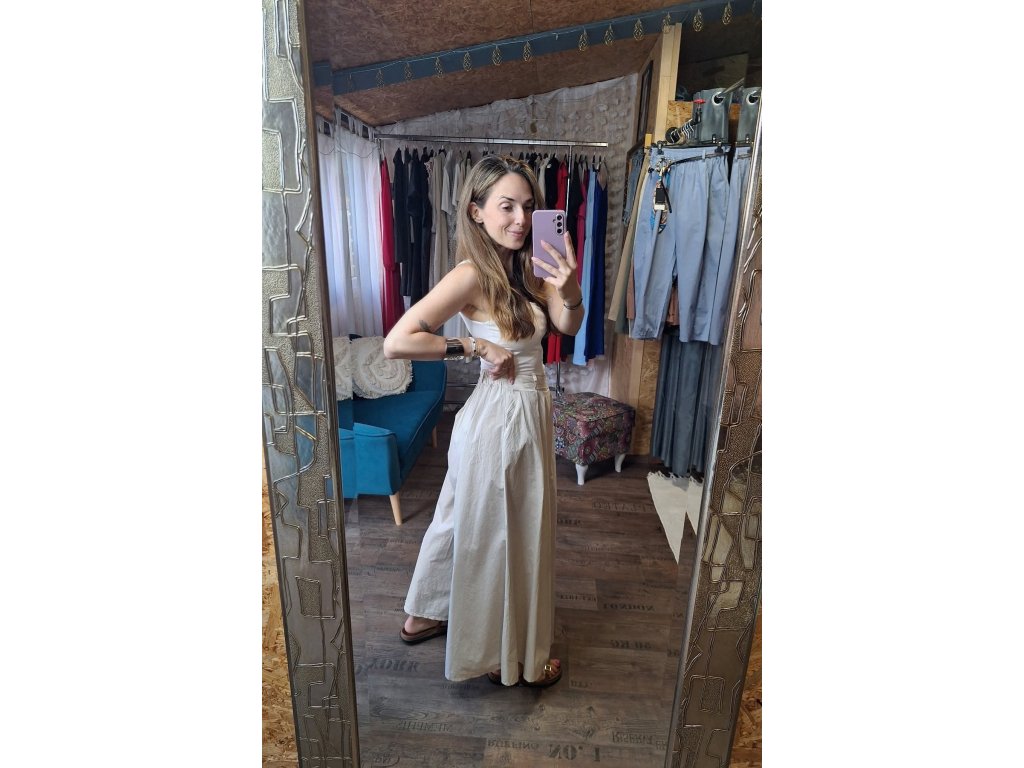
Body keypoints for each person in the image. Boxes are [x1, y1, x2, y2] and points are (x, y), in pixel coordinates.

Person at [382, 154, 584, 688]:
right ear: (477, 212)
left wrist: (570, 288)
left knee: (462, 517)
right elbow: (397, 341)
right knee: (499, 531)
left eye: (528, 207)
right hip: (501, 419)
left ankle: (424, 615)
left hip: (520, 412)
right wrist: (473, 346)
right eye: (506, 206)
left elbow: (566, 325)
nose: (521, 219)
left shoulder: (530, 266)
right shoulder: (471, 274)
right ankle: (501, 654)